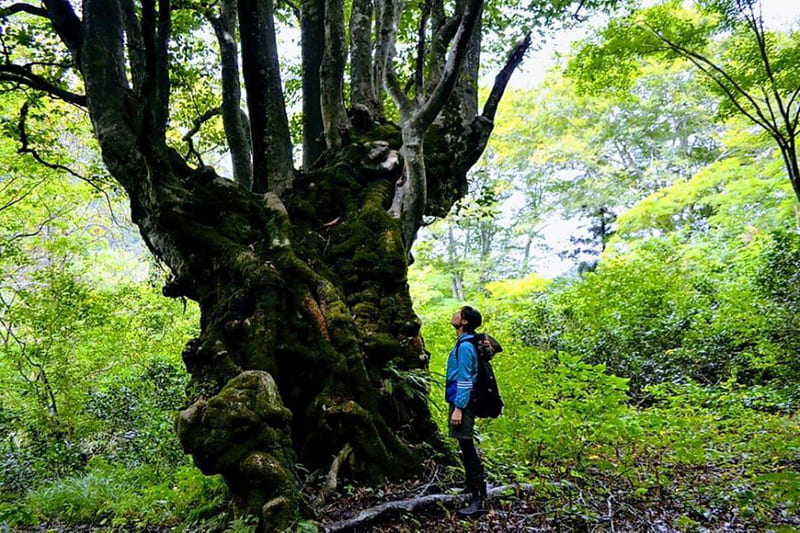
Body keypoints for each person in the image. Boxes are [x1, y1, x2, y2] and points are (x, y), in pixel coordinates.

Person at [445, 305, 487, 516]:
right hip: (459, 399)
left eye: (458, 313)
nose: (454, 314)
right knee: (464, 444)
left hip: (463, 402)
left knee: (468, 446)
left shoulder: (466, 347)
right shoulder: (464, 343)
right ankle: (470, 486)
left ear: (464, 322)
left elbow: (465, 378)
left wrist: (459, 409)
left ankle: (479, 498)